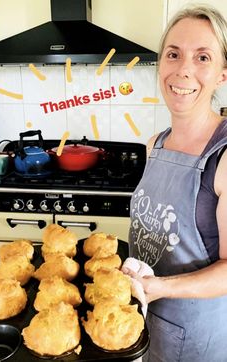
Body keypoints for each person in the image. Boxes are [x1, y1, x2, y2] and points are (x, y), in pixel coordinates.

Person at [122, 4, 227, 362]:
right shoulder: (156, 144)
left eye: (202, 57)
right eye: (173, 54)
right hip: (140, 323)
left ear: (223, 74)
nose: (183, 70)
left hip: (197, 340)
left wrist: (155, 288)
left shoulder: (223, 157)